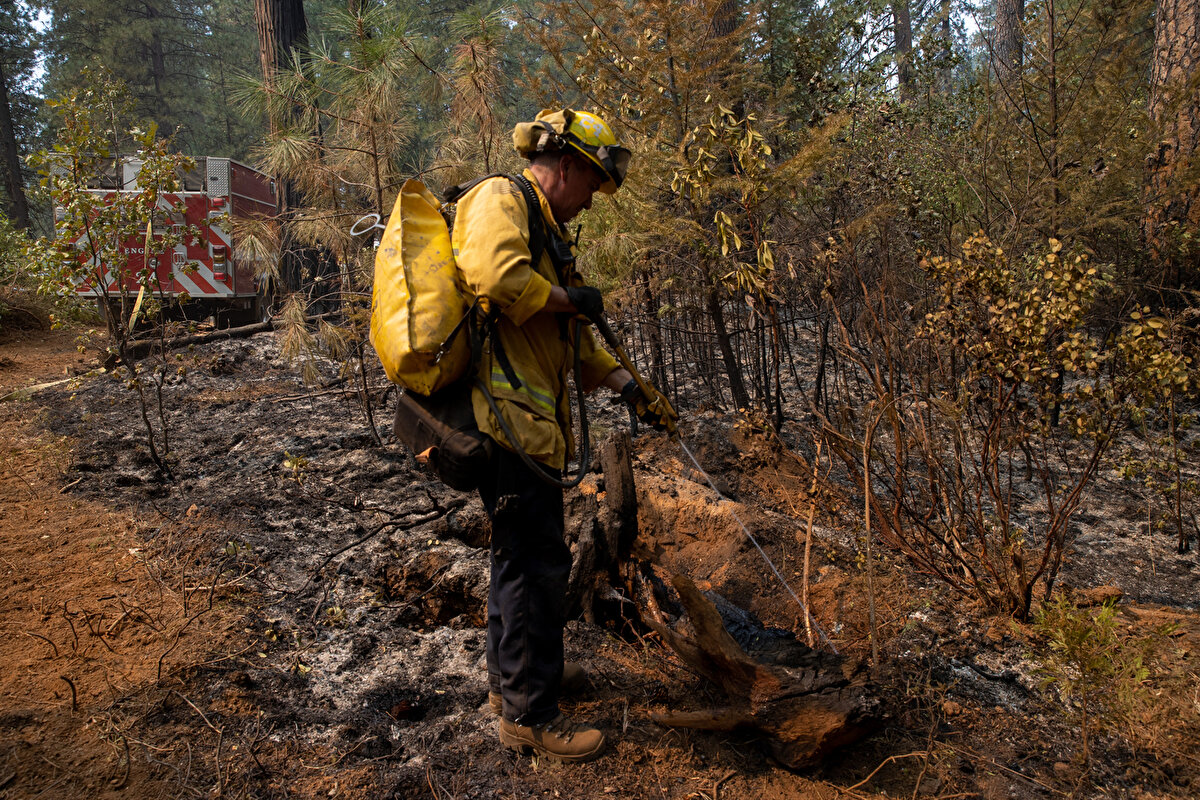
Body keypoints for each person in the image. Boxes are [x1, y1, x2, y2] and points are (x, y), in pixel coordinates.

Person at [451, 108, 670, 763]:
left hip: (529, 425)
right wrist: (572, 299)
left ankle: (511, 684)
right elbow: (497, 280)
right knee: (535, 567)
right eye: (592, 184)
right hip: (505, 421)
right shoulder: (502, 199)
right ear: (567, 165)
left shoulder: (548, 231)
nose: (593, 201)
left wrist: (632, 389)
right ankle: (528, 716)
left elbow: (570, 342)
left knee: (519, 561)